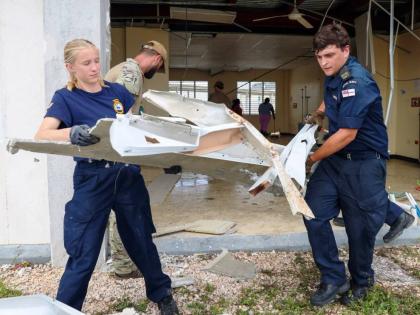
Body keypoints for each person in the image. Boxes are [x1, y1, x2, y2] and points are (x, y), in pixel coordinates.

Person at [34, 39, 179, 314]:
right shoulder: (66, 98)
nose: (94, 68)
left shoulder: (118, 93)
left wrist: (161, 150)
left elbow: (133, 127)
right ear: (71, 67)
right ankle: (66, 309)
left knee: (142, 242)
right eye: (86, 63)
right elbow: (41, 134)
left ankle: (163, 296)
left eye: (97, 61)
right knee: (83, 253)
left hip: (127, 177)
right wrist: (70, 132)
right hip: (93, 179)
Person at [303, 24, 414, 307]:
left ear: (346, 50)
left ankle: (362, 280)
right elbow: (331, 98)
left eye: (329, 55)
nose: (324, 62)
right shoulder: (334, 74)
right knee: (311, 211)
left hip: (364, 162)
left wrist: (312, 158)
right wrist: (318, 113)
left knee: (359, 228)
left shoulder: (358, 81)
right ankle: (333, 277)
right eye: (319, 57)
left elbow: (346, 134)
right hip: (337, 160)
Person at [104, 40, 167, 279]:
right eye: (158, 68)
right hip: (120, 150)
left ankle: (123, 262)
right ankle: (122, 266)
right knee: (125, 208)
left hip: (113, 149)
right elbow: (120, 112)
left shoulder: (121, 68)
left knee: (120, 207)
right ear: (156, 60)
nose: (155, 72)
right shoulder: (132, 73)